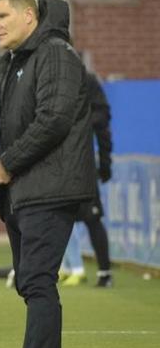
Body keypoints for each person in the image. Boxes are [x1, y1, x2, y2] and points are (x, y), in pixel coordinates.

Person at [0, 0, 95, 348]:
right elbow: (15, 123)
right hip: (25, 189)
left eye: (2, 17)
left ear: (30, 16)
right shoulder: (13, 61)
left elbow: (55, 118)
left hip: (51, 187)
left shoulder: (56, 54)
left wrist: (9, 163)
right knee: (34, 285)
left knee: (38, 283)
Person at [59, 70, 114, 288]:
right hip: (55, 164)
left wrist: (105, 161)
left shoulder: (86, 79)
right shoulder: (45, 75)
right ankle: (69, 267)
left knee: (92, 217)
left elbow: (103, 119)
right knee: (59, 217)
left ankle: (104, 272)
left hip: (83, 164)